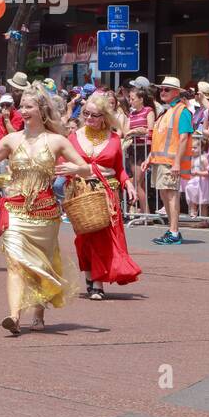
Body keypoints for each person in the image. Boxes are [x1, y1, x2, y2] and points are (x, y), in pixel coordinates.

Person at [0, 87, 92, 335]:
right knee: (15, 263)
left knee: (40, 265)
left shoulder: (57, 141)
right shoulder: (12, 140)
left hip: (45, 214)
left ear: (42, 111)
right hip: (15, 208)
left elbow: (85, 168)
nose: (23, 111)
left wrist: (75, 170)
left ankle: (38, 313)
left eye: (29, 107)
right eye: (22, 106)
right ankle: (14, 316)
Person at [68, 93, 140, 299]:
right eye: (86, 113)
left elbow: (119, 168)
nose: (89, 118)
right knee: (84, 239)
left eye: (94, 115)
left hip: (106, 194)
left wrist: (128, 184)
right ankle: (90, 276)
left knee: (102, 238)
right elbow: (64, 165)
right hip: (81, 193)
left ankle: (97, 284)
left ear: (104, 117)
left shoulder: (114, 139)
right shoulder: (74, 137)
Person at [148, 76, 195, 245]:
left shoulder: (182, 111)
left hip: (170, 162)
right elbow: (159, 139)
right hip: (160, 160)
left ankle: (174, 232)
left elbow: (183, 139)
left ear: (176, 92)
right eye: (161, 89)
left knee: (171, 195)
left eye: (167, 89)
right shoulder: (166, 111)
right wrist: (149, 158)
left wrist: (176, 162)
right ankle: (171, 230)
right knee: (164, 194)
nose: (163, 91)